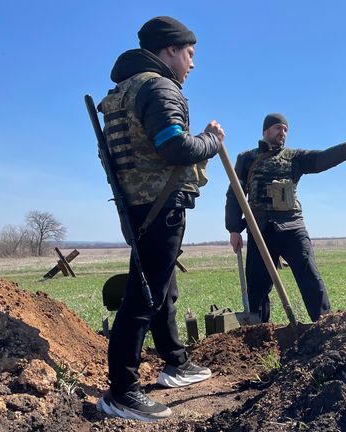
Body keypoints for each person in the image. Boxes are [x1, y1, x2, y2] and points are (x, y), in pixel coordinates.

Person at [95, 16, 224, 422]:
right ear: (169, 49)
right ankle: (122, 391)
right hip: (158, 206)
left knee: (162, 288)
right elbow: (174, 147)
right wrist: (211, 140)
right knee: (143, 297)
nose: (193, 63)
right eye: (190, 53)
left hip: (139, 205)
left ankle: (175, 361)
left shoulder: (122, 91)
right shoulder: (159, 86)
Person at [225, 113, 346, 323]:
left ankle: (324, 326)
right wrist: (234, 229)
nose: (282, 133)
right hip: (260, 229)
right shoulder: (247, 159)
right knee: (258, 285)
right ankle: (259, 333)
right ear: (265, 131)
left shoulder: (295, 157)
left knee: (310, 277)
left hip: (293, 227)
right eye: (277, 128)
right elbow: (235, 193)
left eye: (285, 130)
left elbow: (320, 159)